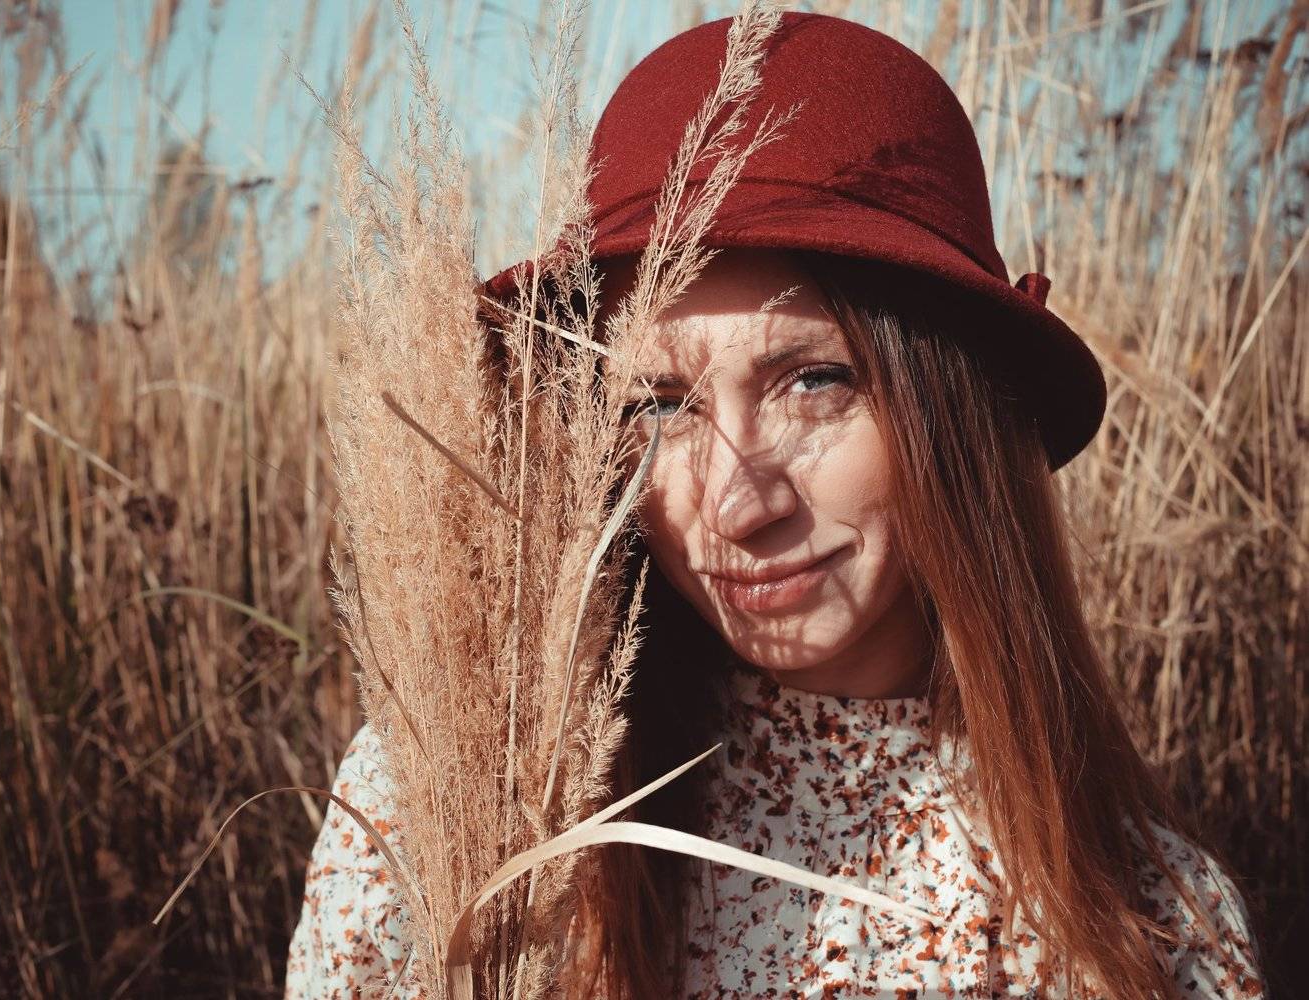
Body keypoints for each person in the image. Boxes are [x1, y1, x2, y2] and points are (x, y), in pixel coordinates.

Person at [285, 11, 1266, 1000]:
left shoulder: (1149, 928)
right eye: (658, 405)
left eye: (814, 382)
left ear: (955, 409)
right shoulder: (465, 808)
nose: (735, 504)